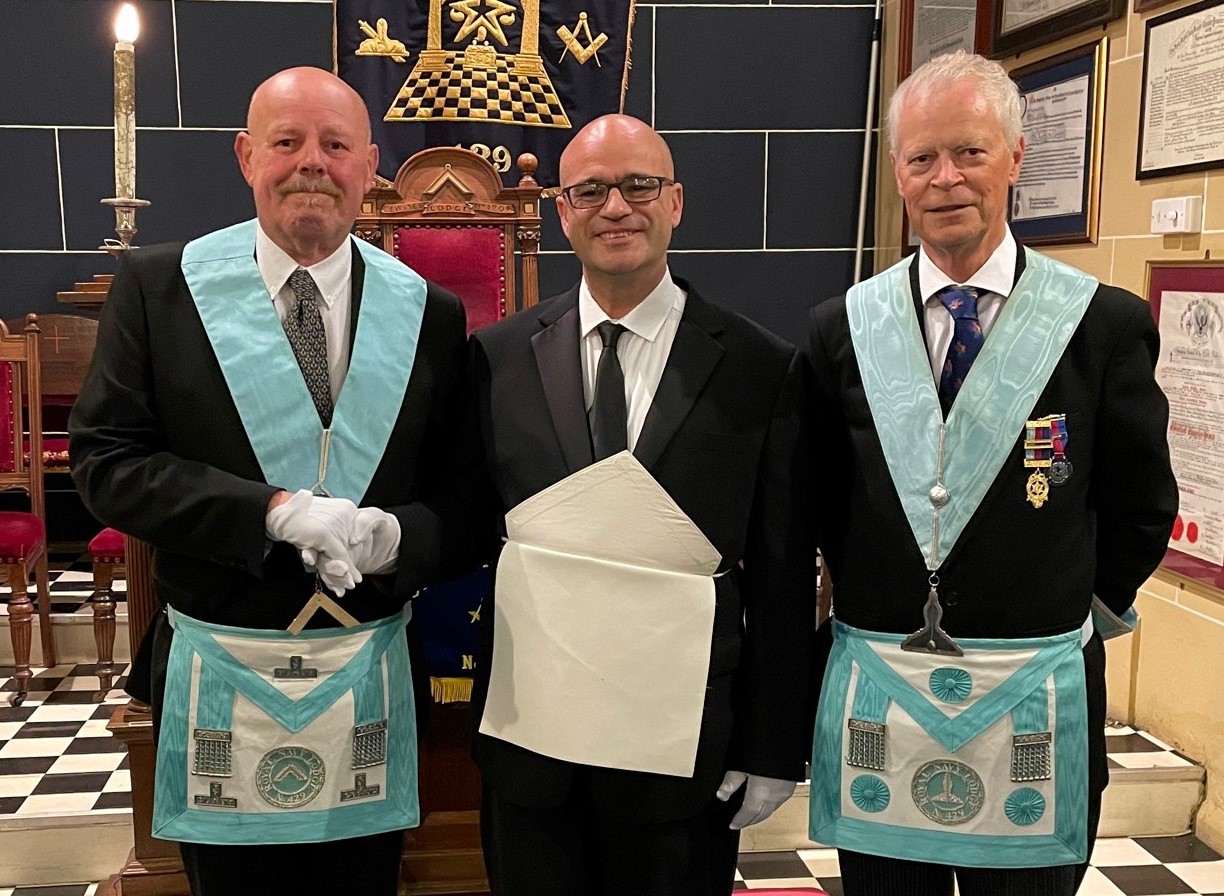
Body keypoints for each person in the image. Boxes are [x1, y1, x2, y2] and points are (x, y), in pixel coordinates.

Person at [68, 67, 474, 896]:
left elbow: (467, 501)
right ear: (247, 156)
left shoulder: (429, 312)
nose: (311, 162)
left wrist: (396, 537)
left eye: (335, 144)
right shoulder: (161, 289)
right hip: (222, 671)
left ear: (369, 166)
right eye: (287, 141)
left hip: (368, 679)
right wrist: (271, 512)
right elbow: (107, 465)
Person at [805, 51, 1178, 895]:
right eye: (922, 157)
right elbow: (818, 499)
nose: (946, 179)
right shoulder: (841, 328)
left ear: (1015, 158)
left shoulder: (1101, 326)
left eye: (970, 152)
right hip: (886, 690)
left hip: (1033, 691)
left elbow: (1142, 505)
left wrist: (1064, 612)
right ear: (897, 171)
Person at [466, 114, 816, 895]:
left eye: (639, 186)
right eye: (591, 190)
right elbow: (468, 523)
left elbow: (782, 572)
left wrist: (772, 746)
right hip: (534, 747)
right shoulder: (496, 358)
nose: (616, 207)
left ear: (676, 202)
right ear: (563, 211)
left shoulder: (761, 367)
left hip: (681, 750)